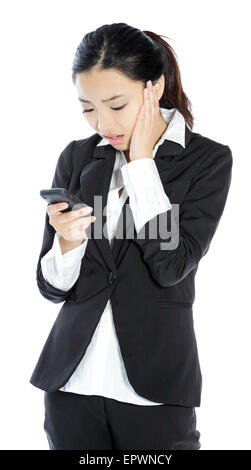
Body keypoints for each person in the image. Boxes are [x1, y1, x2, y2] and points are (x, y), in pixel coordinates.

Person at [30, 22, 233, 450]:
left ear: (152, 88)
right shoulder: (79, 157)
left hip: (154, 388)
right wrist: (67, 242)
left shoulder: (207, 161)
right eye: (88, 108)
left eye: (116, 105)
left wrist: (141, 163)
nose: (102, 123)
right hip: (70, 384)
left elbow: (171, 265)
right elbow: (51, 287)